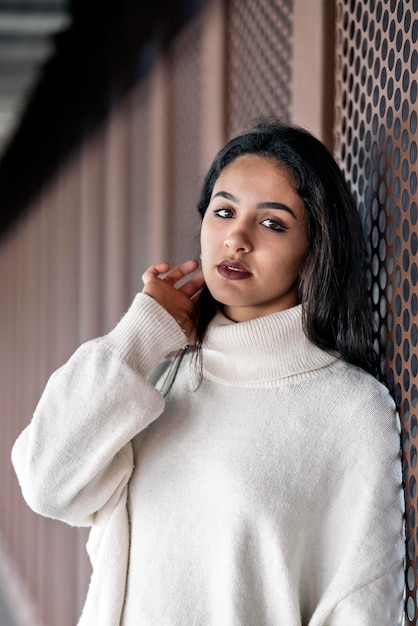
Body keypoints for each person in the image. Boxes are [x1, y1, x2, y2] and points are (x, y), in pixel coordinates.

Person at [12, 118, 404, 625]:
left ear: (314, 249)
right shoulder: (157, 379)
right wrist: (140, 337)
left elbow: (361, 604)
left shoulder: (351, 409)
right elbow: (47, 483)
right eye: (223, 212)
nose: (236, 238)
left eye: (272, 223)